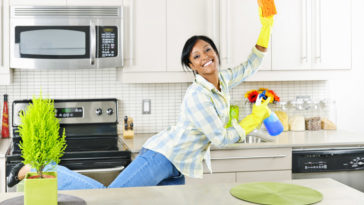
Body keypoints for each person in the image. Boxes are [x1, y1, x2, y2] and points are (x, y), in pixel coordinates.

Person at [8, 7, 274, 190]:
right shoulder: (197, 95)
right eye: (196, 56)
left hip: (178, 166)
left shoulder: (223, 79)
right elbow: (220, 138)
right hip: (161, 157)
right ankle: (36, 170)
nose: (205, 57)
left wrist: (266, 27)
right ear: (191, 66)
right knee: (113, 198)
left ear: (215, 52)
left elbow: (252, 63)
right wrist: (254, 118)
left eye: (207, 49)